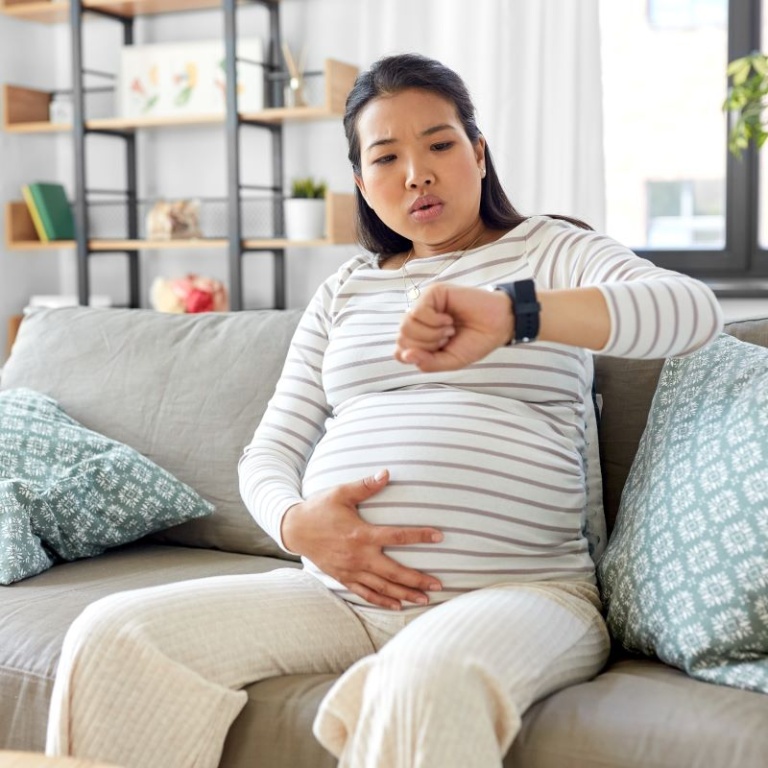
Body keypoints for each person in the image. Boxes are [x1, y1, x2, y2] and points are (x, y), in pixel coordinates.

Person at [46, 53, 723, 768]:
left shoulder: (552, 250)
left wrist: (513, 314)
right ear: (362, 184)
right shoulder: (345, 291)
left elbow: (691, 312)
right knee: (112, 635)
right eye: (387, 157)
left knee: (424, 680)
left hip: (523, 593)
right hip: (337, 597)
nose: (417, 173)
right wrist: (297, 524)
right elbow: (269, 451)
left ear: (479, 153)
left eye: (439, 144)